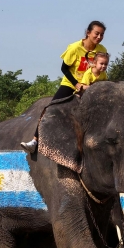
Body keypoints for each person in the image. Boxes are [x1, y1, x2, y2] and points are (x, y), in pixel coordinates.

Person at [21, 20, 107, 152]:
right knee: (51, 108)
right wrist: (77, 84)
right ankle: (34, 141)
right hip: (71, 84)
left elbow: (101, 71)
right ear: (88, 33)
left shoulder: (102, 50)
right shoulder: (74, 48)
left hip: (90, 87)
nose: (99, 37)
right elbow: (64, 68)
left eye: (102, 35)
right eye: (96, 34)